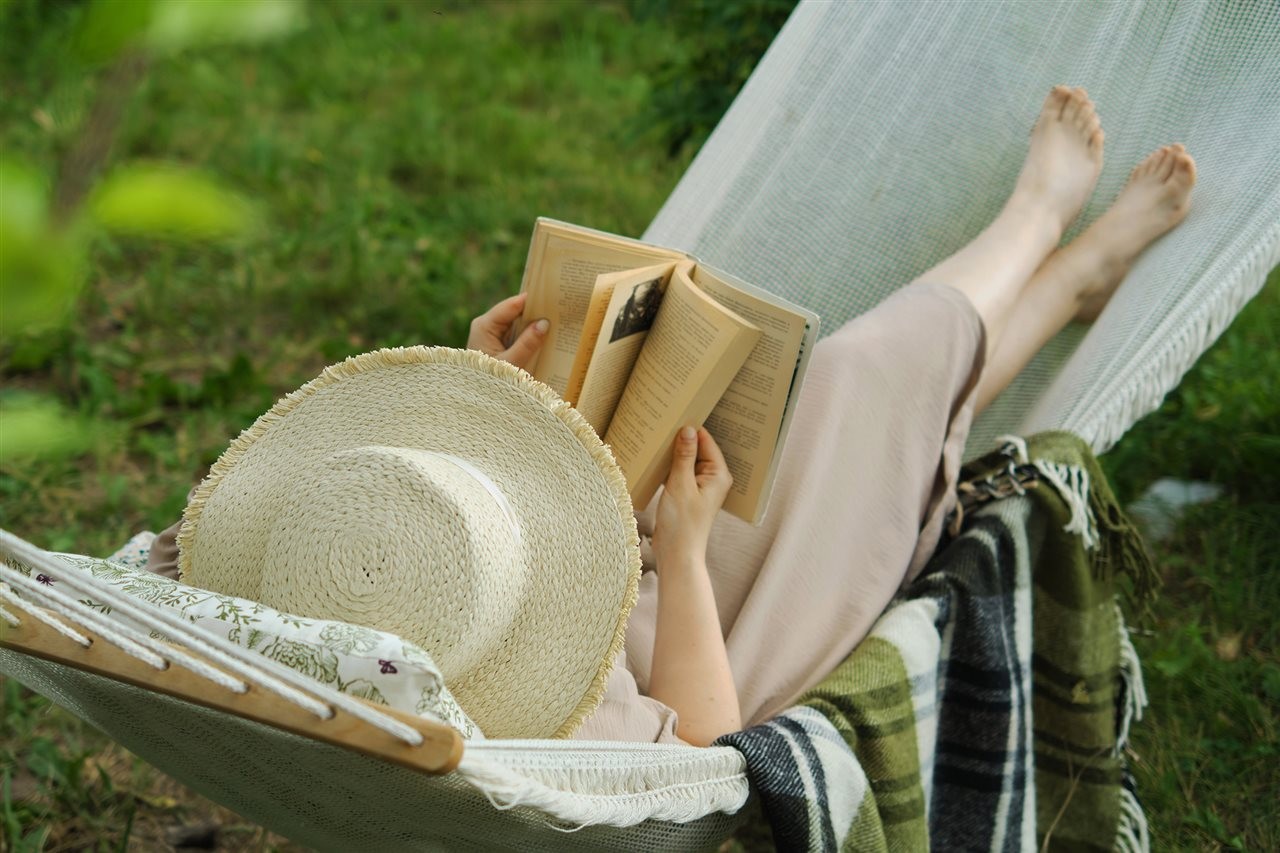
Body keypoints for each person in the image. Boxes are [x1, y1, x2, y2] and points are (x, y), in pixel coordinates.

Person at [150, 87, 1195, 747]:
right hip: (716, 633)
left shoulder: (306, 576)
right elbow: (704, 747)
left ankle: (1061, 282)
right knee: (856, 386)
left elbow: (423, 532)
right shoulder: (535, 719)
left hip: (573, 550)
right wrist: (684, 555)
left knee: (830, 401)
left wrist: (481, 395)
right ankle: (1043, 233)